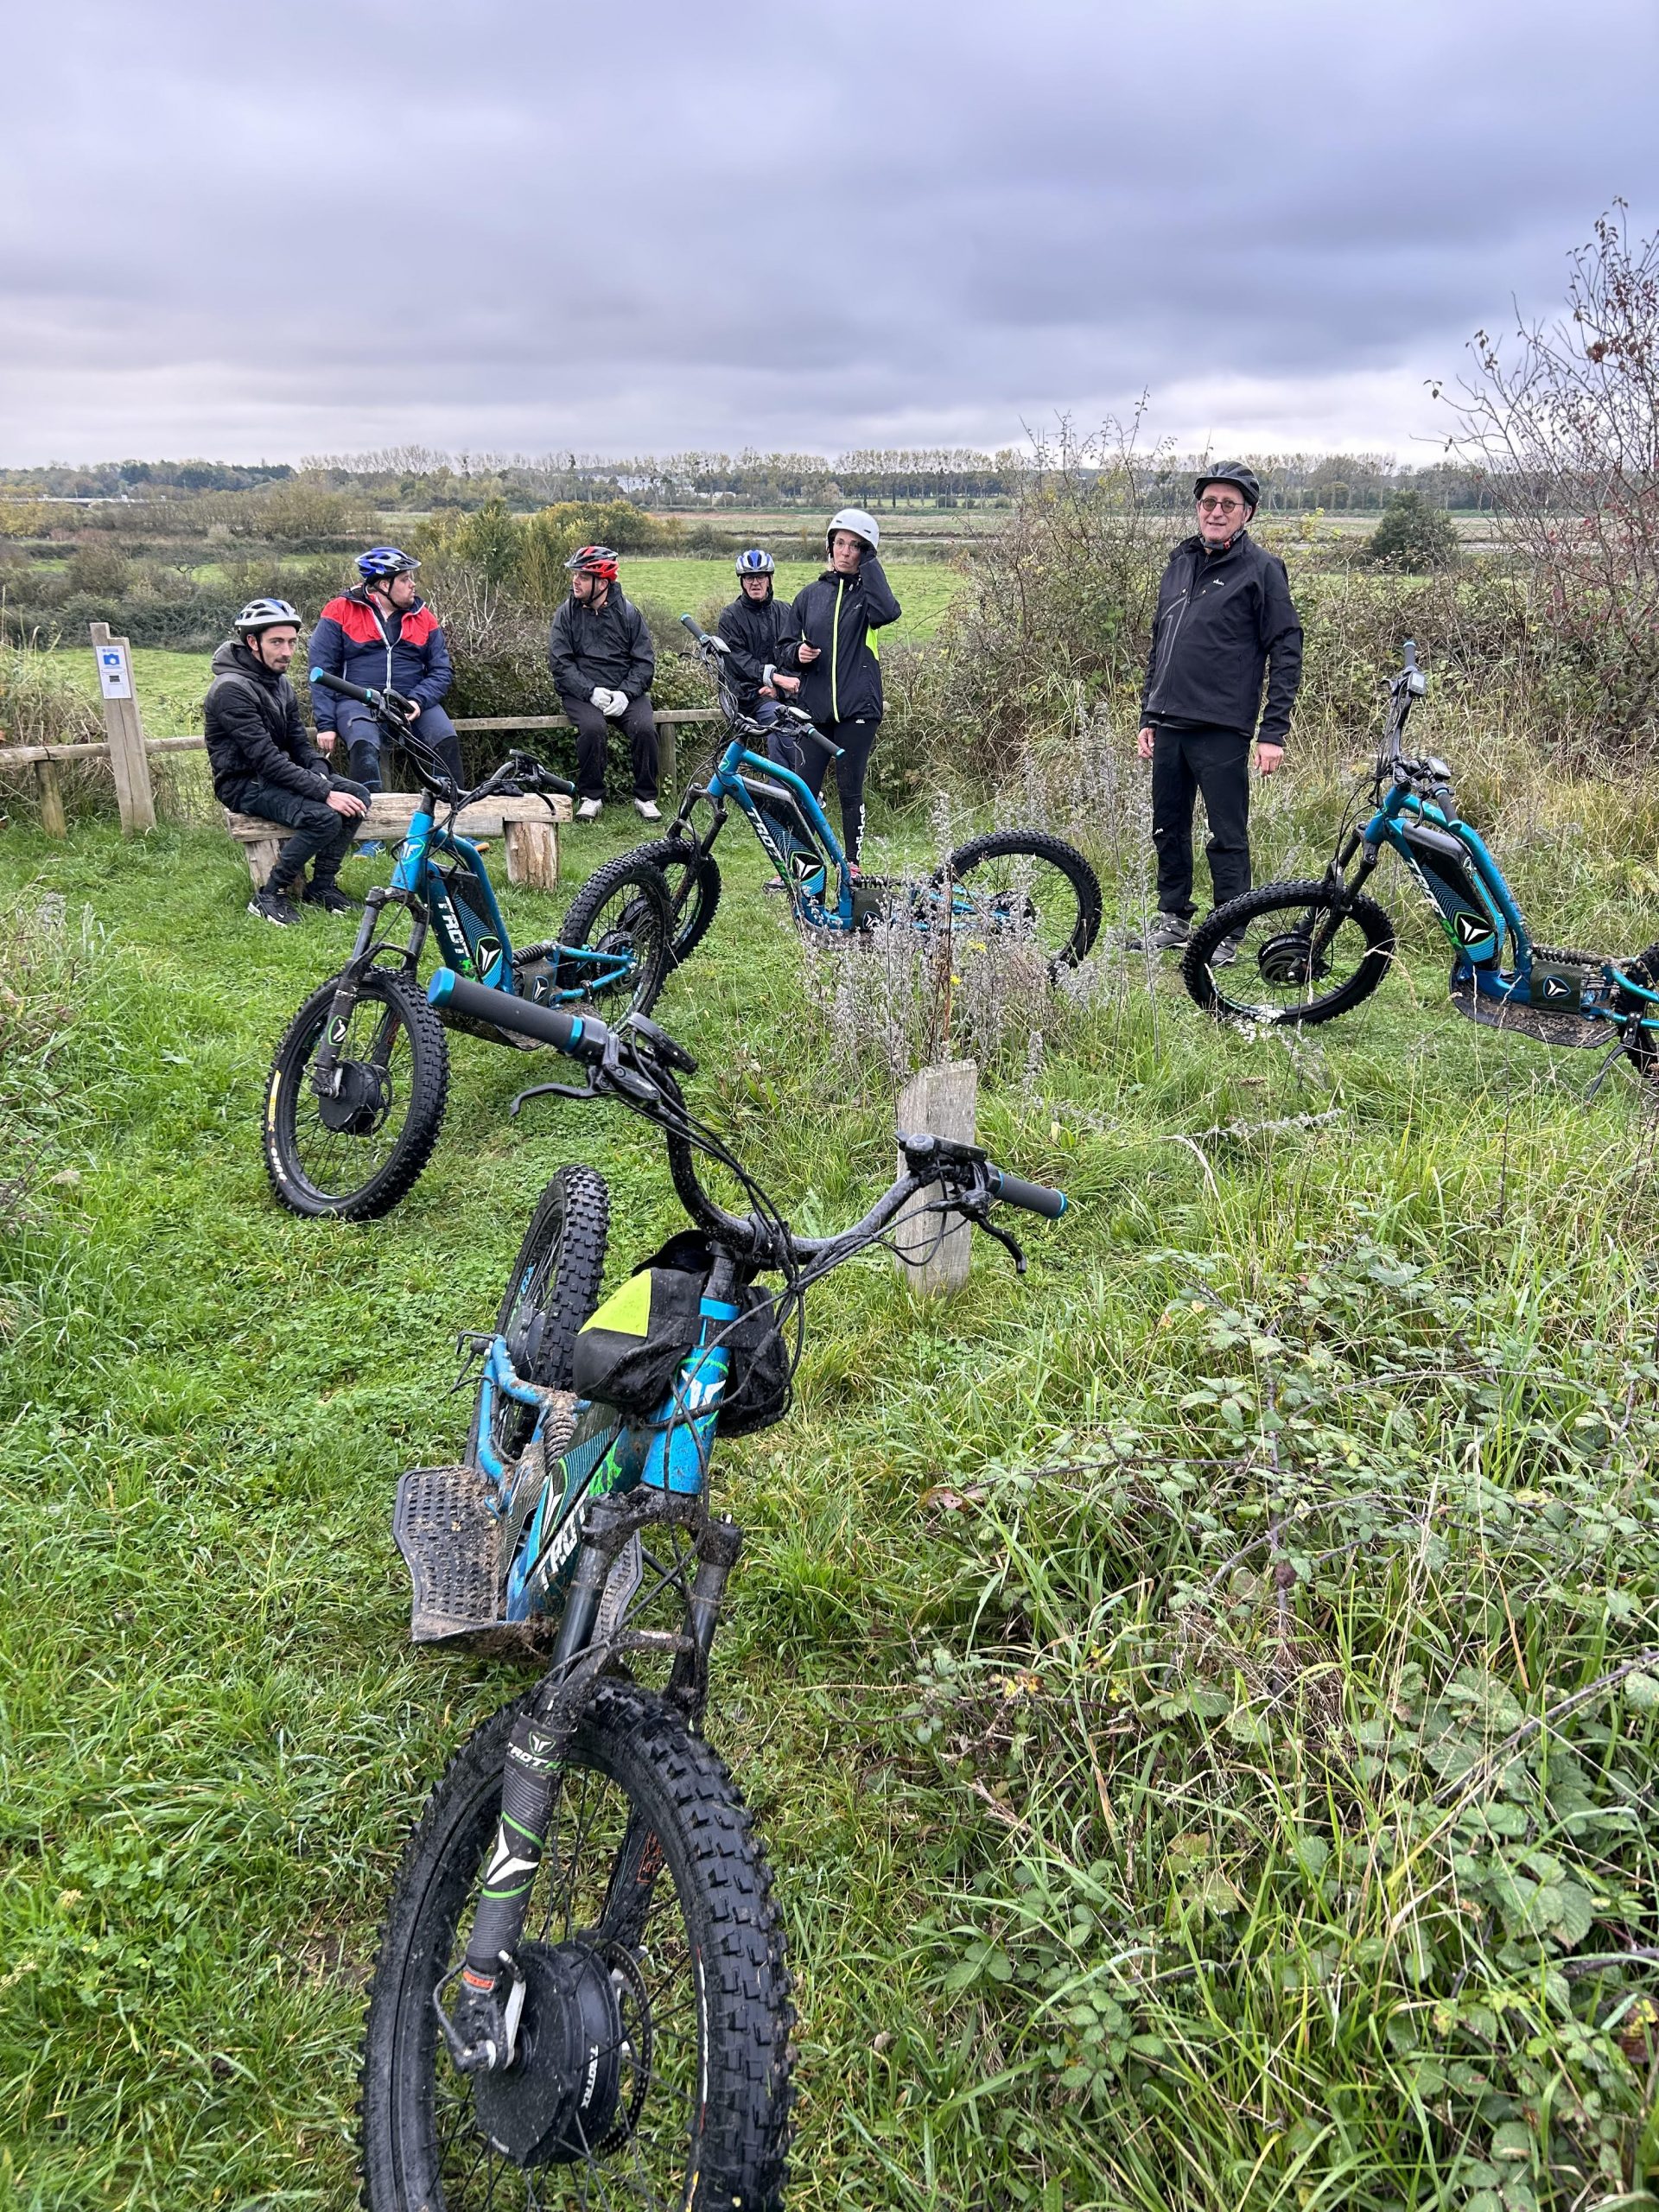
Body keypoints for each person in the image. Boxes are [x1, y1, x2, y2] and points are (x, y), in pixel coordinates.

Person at [1128, 463, 1303, 958]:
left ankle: (1228, 928)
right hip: (1169, 722)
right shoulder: (1179, 561)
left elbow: (1286, 649)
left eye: (1229, 504)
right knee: (1168, 824)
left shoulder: (1262, 569)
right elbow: (1161, 643)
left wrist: (1273, 731)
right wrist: (1149, 713)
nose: (1217, 512)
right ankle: (1174, 919)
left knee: (1225, 832)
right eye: (1209, 503)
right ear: (1197, 508)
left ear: (1247, 512)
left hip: (1223, 726)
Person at [205, 599, 371, 926]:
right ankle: (270, 894)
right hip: (242, 783)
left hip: (274, 774)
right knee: (323, 816)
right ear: (252, 642)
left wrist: (322, 774)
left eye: (292, 642)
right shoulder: (230, 690)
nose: (287, 652)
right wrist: (324, 793)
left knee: (358, 796)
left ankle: (322, 886)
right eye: (276, 642)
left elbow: (298, 744)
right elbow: (265, 759)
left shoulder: (279, 683)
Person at [791, 507, 901, 871]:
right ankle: (806, 866)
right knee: (801, 791)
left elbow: (889, 611)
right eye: (840, 543)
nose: (845, 551)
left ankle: (851, 864)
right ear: (830, 546)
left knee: (849, 790)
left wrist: (871, 566)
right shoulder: (810, 596)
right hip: (815, 711)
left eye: (855, 546)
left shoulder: (868, 599)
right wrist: (797, 653)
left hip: (858, 710)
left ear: (865, 553)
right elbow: (783, 647)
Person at [309, 547, 462, 800]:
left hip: (411, 701)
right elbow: (322, 670)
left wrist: (418, 700)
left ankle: (449, 821)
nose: (413, 585)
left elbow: (441, 670)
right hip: (358, 700)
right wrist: (325, 724)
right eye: (405, 579)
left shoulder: (423, 617)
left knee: (446, 740)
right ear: (383, 584)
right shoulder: (340, 610)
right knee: (363, 745)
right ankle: (371, 831)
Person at [546, 545, 661, 823]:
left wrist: (626, 693)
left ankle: (646, 797)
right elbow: (560, 662)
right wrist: (589, 691)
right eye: (575, 574)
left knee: (645, 728)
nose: (575, 581)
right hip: (581, 693)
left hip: (625, 691)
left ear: (603, 582)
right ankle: (591, 796)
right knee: (592, 729)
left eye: (583, 576)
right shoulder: (567, 613)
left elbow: (644, 663)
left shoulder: (629, 613)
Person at [717, 549, 804, 750]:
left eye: (760, 576)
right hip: (749, 696)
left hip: (782, 695)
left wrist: (779, 688)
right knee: (783, 727)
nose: (755, 583)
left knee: (808, 728)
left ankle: (788, 781)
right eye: (749, 577)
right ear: (742, 581)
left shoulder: (785, 611)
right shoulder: (731, 616)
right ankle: (788, 782)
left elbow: (793, 655)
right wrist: (773, 678)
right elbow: (737, 662)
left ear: (770, 579)